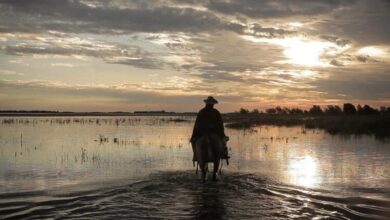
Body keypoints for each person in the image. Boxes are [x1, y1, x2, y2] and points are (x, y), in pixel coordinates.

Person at [190, 96, 229, 162]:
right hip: (214, 133)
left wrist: (193, 136)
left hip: (201, 134)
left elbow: (196, 125)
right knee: (223, 141)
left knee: (193, 142)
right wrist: (222, 135)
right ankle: (223, 154)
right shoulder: (216, 112)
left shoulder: (201, 112)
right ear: (213, 104)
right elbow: (220, 125)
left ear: (206, 103)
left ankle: (195, 155)